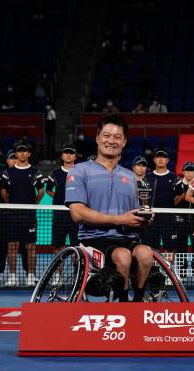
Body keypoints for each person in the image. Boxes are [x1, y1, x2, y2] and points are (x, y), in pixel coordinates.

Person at [65, 114, 154, 302]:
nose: (111, 141)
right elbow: (77, 213)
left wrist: (142, 220)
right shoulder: (79, 171)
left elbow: (132, 215)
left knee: (146, 253)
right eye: (106, 136)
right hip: (93, 240)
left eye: (117, 137)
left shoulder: (130, 177)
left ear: (124, 142)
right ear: (97, 138)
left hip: (126, 239)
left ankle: (136, 301)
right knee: (122, 256)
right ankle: (121, 303)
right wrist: (121, 220)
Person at [0, 143, 44, 287]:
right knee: (12, 246)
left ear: (29, 154)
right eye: (20, 151)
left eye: (25, 151)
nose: (22, 154)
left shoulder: (35, 171)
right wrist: (13, 205)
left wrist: (32, 205)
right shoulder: (8, 172)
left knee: (30, 247)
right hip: (13, 215)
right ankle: (12, 276)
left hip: (29, 215)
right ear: (16, 154)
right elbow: (3, 192)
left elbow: (41, 191)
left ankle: (30, 276)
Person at [0, 150, 28, 282]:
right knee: (2, 245)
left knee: (25, 244)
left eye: (15, 158)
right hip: (6, 215)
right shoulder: (3, 175)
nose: (13, 160)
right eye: (11, 159)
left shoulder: (23, 174)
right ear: (7, 161)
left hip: (23, 215)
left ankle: (29, 273)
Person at [46, 145, 79, 251]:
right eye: (66, 153)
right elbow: (48, 190)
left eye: (71, 153)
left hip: (76, 214)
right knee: (58, 247)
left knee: (77, 247)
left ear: (75, 157)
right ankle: (58, 268)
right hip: (59, 214)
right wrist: (59, 199)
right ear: (62, 156)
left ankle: (77, 268)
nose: (68, 155)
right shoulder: (55, 173)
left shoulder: (81, 173)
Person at [144, 148, 178, 253]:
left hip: (169, 218)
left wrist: (170, 206)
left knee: (170, 247)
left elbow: (181, 195)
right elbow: (143, 197)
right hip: (152, 217)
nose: (160, 159)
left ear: (167, 160)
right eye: (158, 157)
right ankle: (154, 269)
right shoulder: (147, 177)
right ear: (154, 160)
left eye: (163, 157)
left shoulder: (174, 177)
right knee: (153, 247)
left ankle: (169, 269)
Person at [174, 161, 194, 254]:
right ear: (183, 172)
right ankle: (180, 268)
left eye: (191, 171)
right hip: (181, 221)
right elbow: (174, 203)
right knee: (181, 246)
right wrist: (184, 194)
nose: (189, 173)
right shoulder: (177, 185)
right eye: (187, 170)